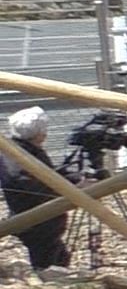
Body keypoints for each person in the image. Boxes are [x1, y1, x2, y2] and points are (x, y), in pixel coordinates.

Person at [1, 106, 76, 270]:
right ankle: (51, 285)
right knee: (47, 261)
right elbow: (26, 182)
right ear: (39, 134)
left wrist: (73, 180)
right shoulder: (16, 156)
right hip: (36, 219)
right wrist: (66, 190)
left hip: (43, 218)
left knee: (59, 256)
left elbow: (47, 175)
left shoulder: (23, 149)